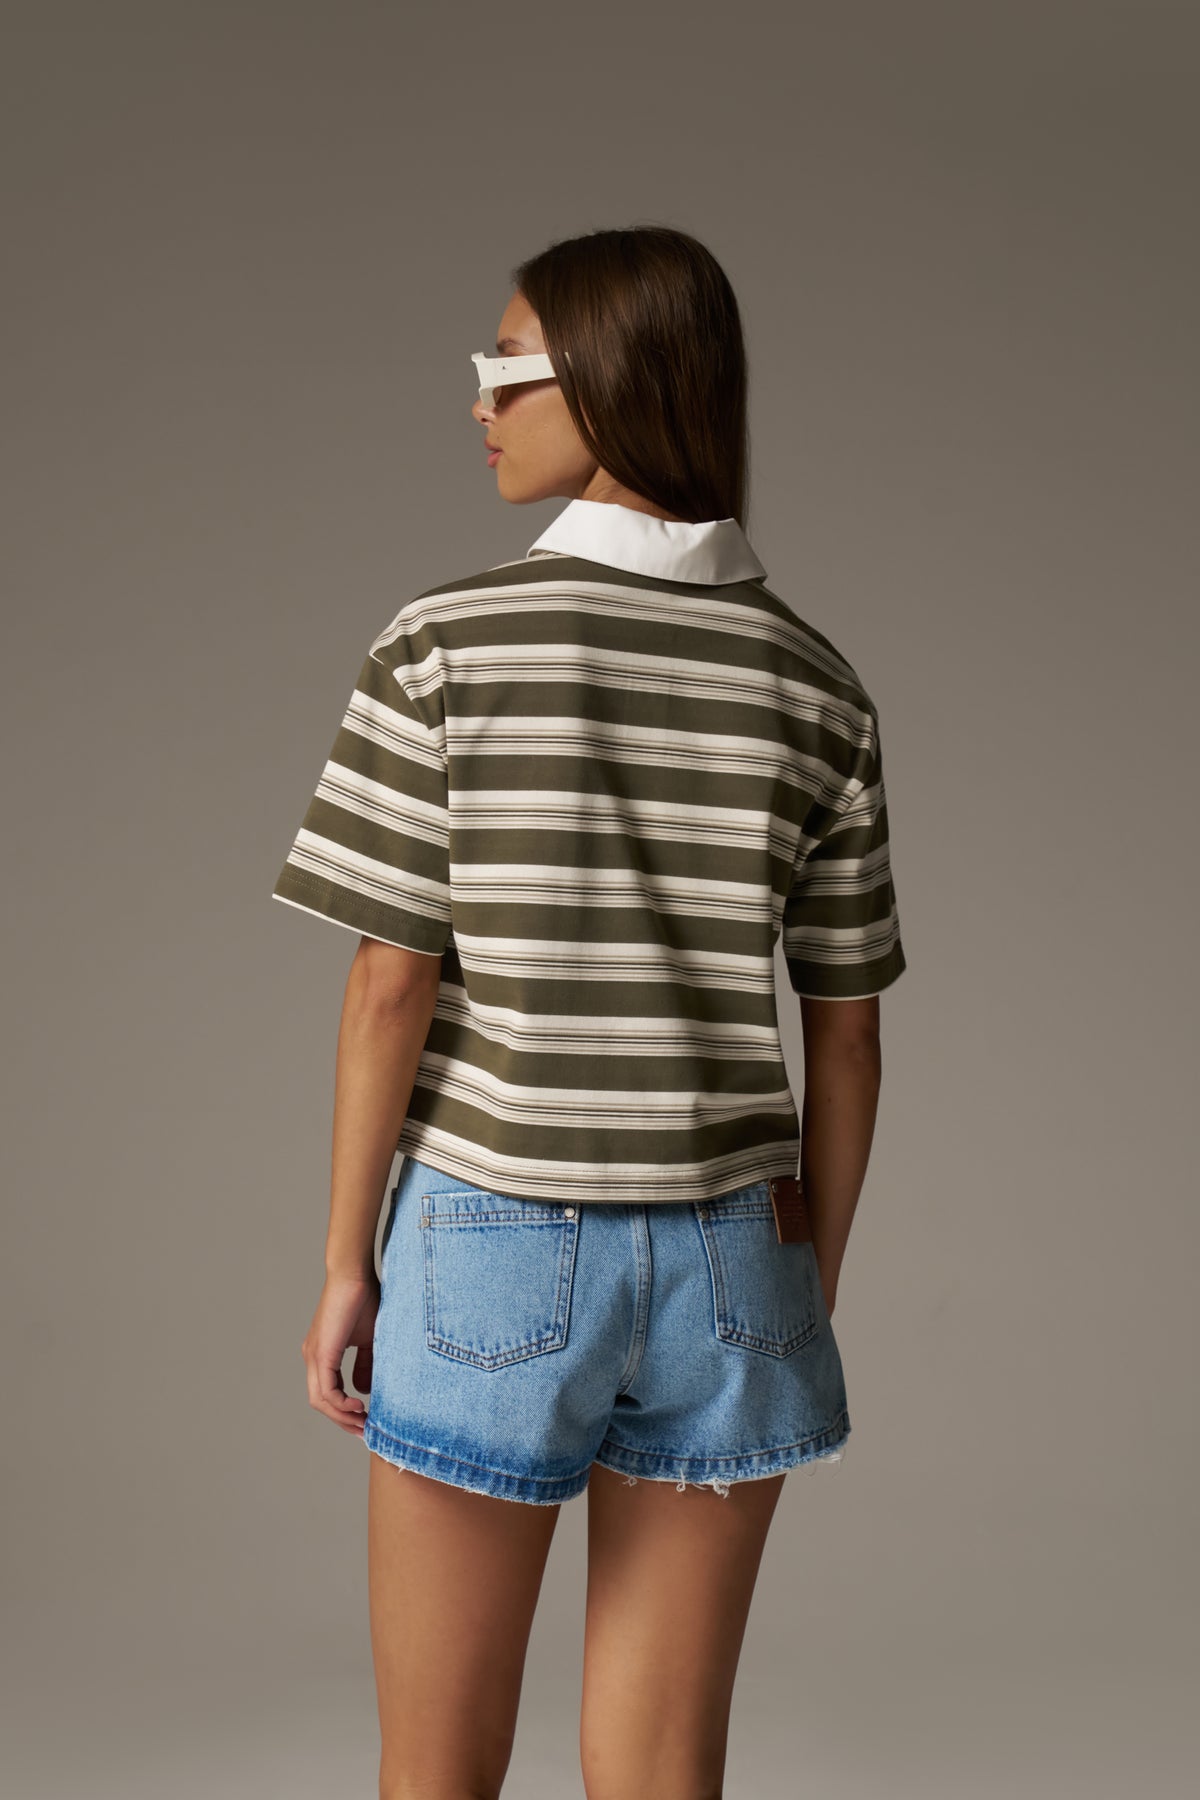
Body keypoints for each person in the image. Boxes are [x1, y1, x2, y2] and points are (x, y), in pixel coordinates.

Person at [271, 224, 907, 1800]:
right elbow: (845, 1029)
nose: (477, 402)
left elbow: (392, 983)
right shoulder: (820, 685)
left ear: (612, 383)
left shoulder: (445, 644)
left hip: (494, 1230)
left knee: (438, 1771)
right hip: (739, 1257)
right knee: (664, 1772)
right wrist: (804, 1278)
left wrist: (345, 1264)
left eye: (504, 367)